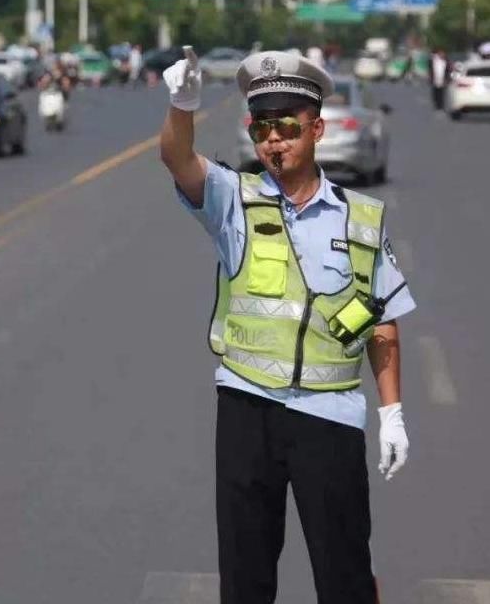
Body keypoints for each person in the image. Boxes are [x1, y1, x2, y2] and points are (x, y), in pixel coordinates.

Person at [159, 47, 414, 604]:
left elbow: (383, 322)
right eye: (262, 128)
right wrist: (183, 104)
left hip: (330, 417)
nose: (274, 141)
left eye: (287, 128)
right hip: (247, 410)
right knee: (245, 577)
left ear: (316, 129)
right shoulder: (234, 200)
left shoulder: (361, 220)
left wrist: (391, 412)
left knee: (345, 575)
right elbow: (177, 158)